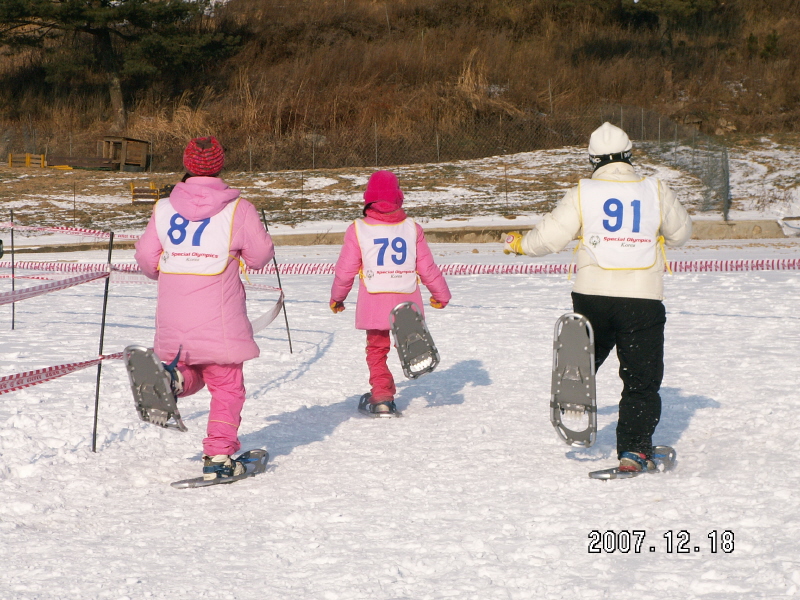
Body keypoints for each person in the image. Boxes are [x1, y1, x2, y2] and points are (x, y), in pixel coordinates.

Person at [504, 122, 693, 473]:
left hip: (592, 296)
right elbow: (682, 233)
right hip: (642, 299)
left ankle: (576, 380)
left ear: (593, 159)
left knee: (590, 352)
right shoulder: (655, 189)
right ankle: (634, 452)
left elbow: (550, 235)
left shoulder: (584, 191)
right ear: (629, 155)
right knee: (640, 378)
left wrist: (519, 245)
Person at [134, 136, 274, 480]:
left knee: (190, 369)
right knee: (227, 386)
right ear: (219, 165)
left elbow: (146, 259)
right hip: (219, 319)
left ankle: (174, 380)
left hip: (172, 318)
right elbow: (259, 257)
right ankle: (219, 456)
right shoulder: (239, 209)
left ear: (187, 165)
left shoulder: (163, 208)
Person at [330, 170, 451, 415]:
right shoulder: (411, 228)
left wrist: (337, 298)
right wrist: (441, 294)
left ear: (369, 198)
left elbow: (345, 271)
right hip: (406, 300)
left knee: (377, 349)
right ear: (399, 197)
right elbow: (426, 267)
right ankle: (416, 353)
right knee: (406, 339)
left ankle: (382, 397)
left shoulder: (358, 229)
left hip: (374, 300)